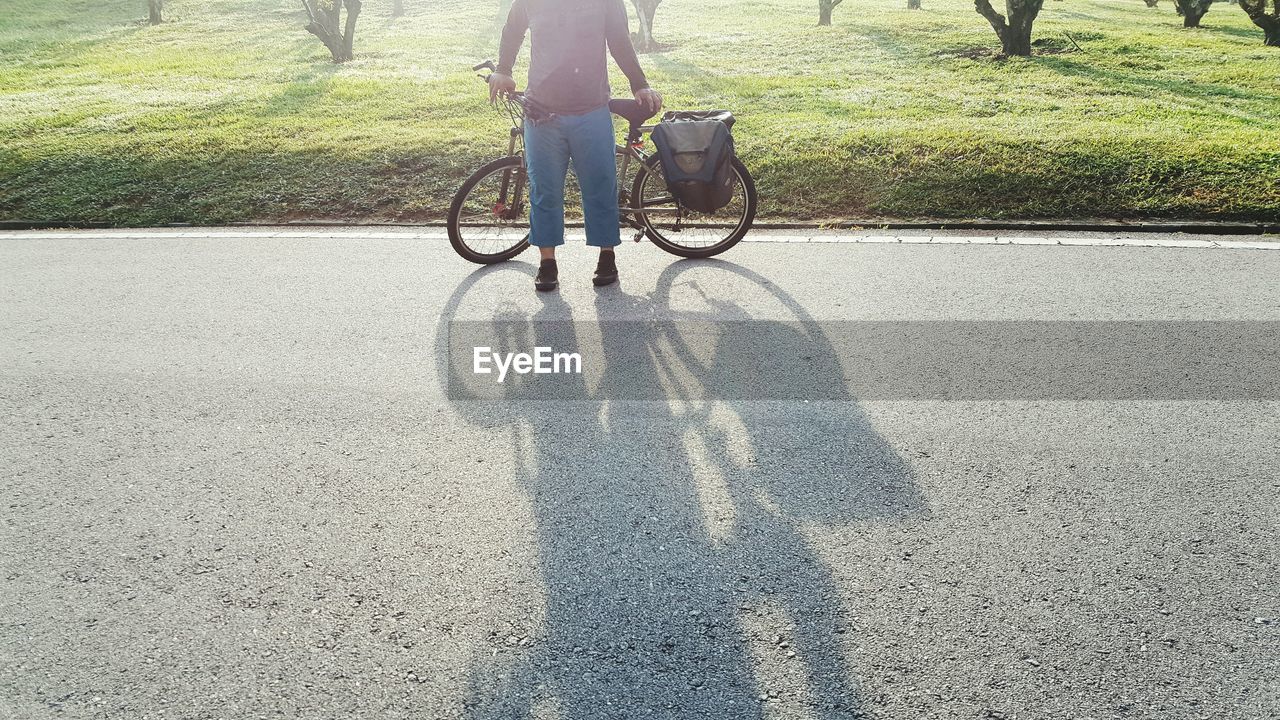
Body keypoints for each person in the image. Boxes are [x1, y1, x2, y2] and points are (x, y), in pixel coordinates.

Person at [489, 0, 663, 292]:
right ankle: (547, 263)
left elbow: (619, 39)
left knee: (600, 186)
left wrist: (639, 84)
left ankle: (606, 256)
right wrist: (503, 69)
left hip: (591, 110)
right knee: (544, 189)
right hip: (541, 113)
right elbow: (513, 30)